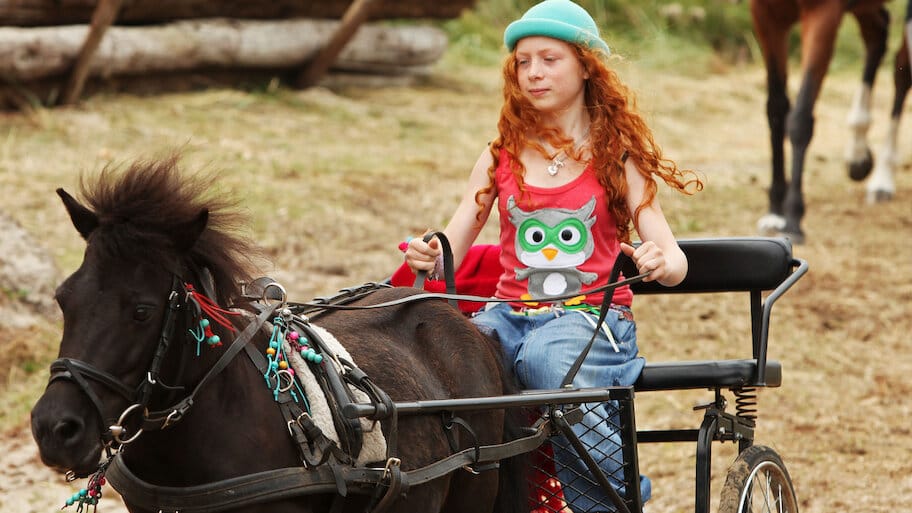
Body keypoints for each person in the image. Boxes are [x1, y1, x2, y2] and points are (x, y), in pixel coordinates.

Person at [404, 0, 703, 510]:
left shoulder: (618, 154)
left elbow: (675, 259)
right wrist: (427, 252)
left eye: (550, 59)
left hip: (590, 318)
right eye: (524, 62)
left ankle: (613, 501)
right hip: (508, 314)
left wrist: (661, 263)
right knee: (446, 360)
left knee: (548, 363)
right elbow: (454, 237)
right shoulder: (502, 152)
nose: (534, 73)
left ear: (586, 65)